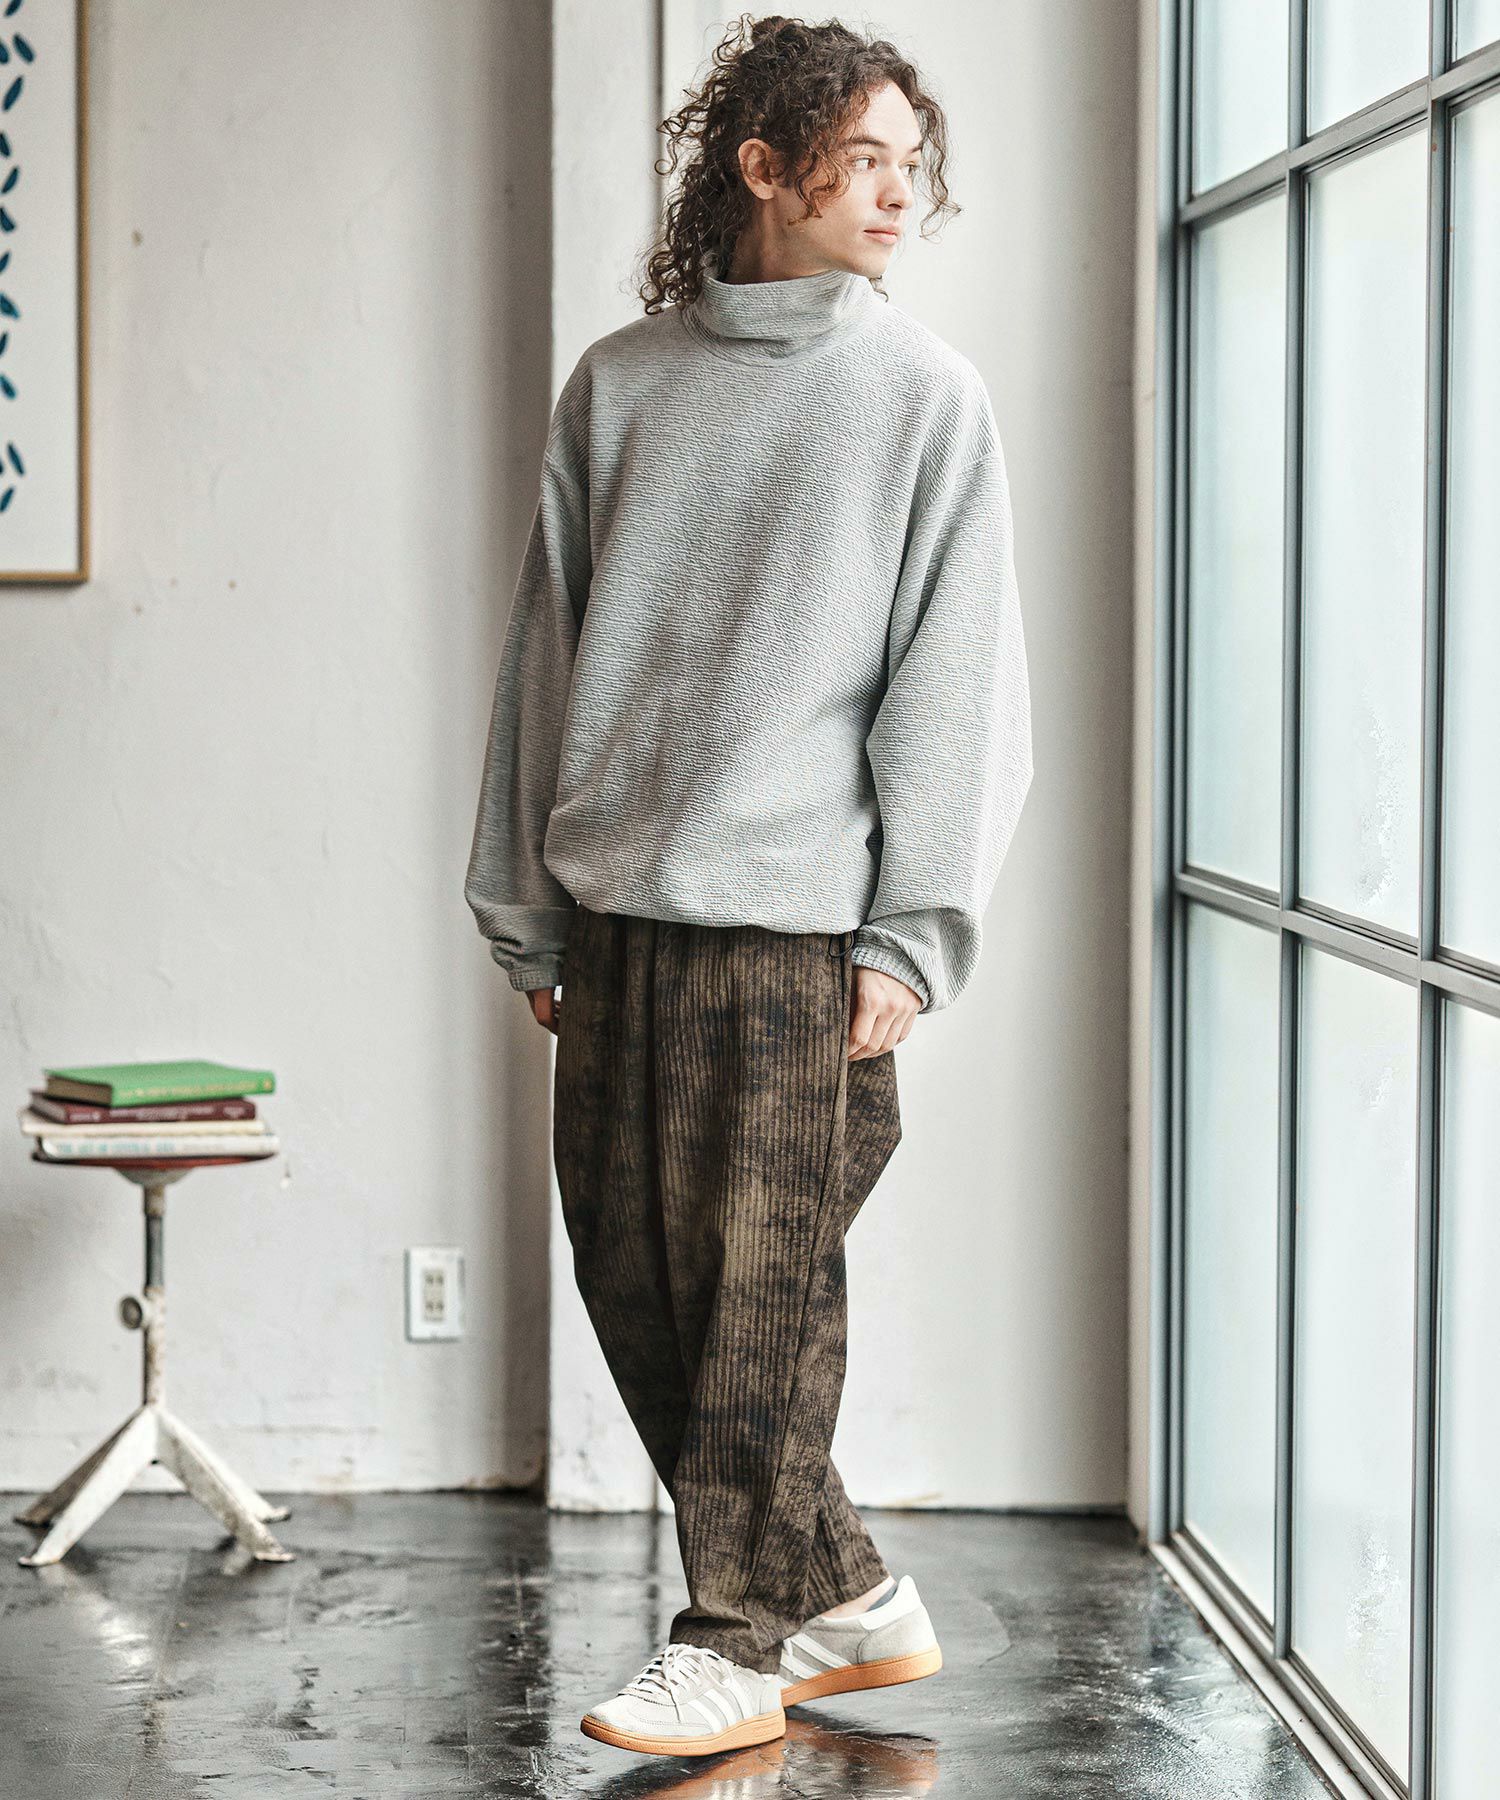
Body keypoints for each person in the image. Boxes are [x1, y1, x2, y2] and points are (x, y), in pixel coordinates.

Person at [464, 12, 1033, 1760]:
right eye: (862, 162)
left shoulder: (925, 397)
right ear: (762, 167)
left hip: (798, 937)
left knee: (758, 1313)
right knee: (635, 1283)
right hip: (617, 919)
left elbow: (963, 689)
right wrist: (525, 903)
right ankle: (845, 1590)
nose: (898, 195)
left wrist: (911, 938)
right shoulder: (619, 385)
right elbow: (548, 656)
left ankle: (733, 1643)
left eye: (911, 168)